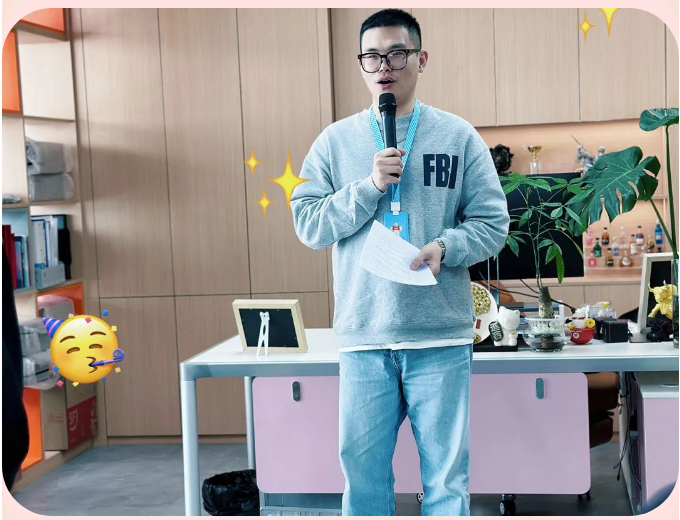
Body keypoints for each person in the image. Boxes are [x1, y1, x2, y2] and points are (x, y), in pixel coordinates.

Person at [290, 9, 509, 516]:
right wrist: (368, 187)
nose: (384, 66)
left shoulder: (458, 137)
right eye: (372, 56)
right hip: (365, 338)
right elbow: (309, 224)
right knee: (363, 479)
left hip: (439, 338)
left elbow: (492, 223)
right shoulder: (334, 142)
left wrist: (446, 248)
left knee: (447, 480)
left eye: (396, 54)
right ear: (361, 65)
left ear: (421, 59)